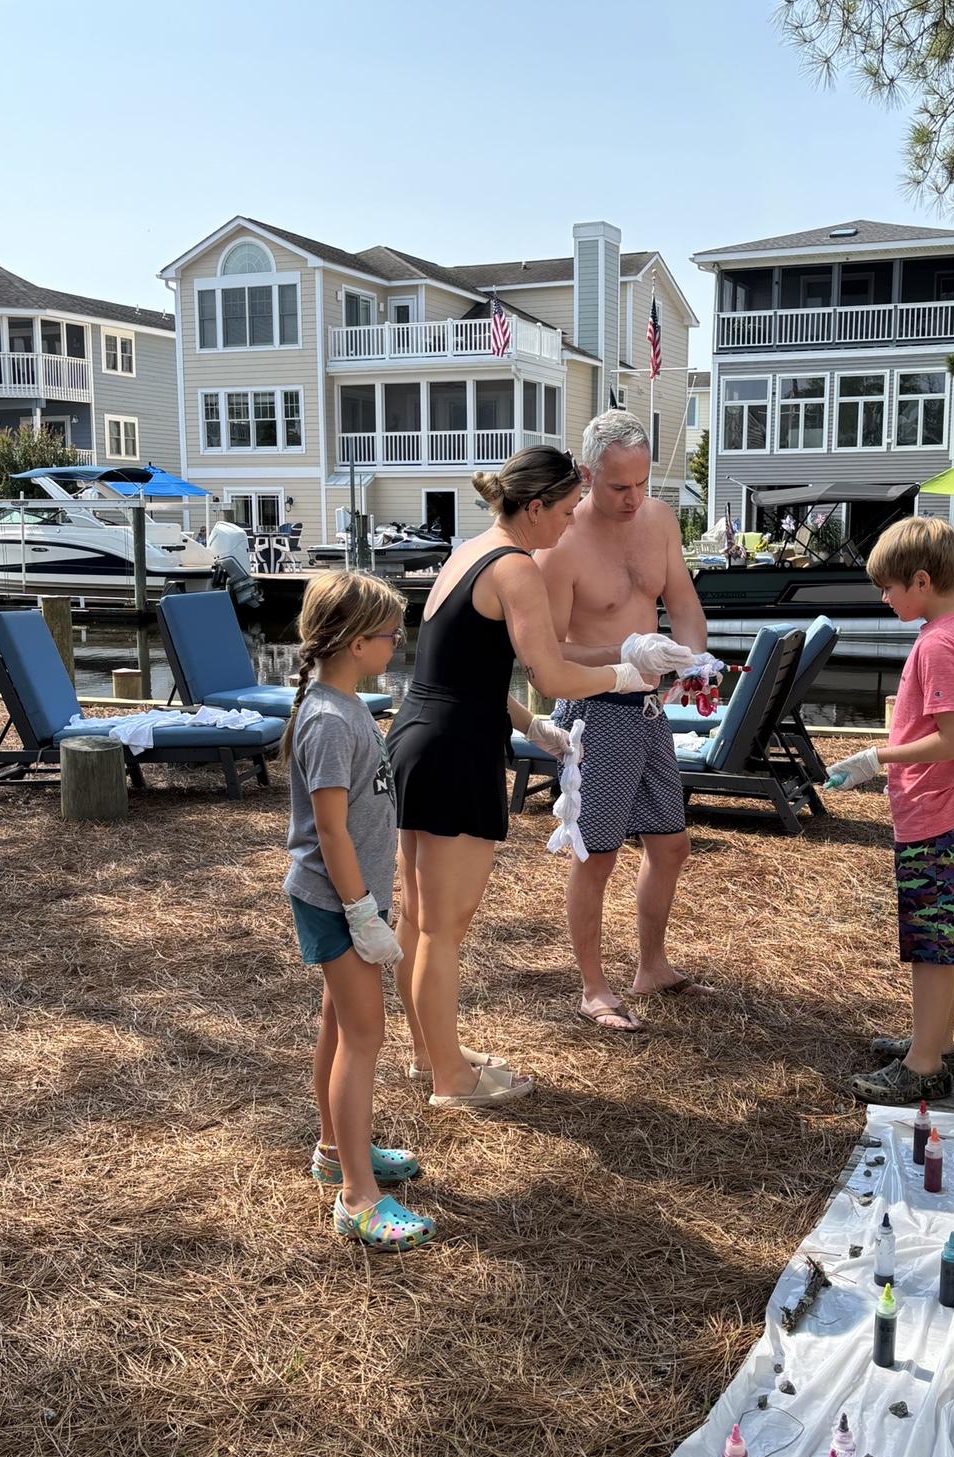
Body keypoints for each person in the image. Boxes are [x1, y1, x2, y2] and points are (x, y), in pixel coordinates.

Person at [388, 445, 646, 1107]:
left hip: (420, 735)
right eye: (564, 512)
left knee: (420, 920)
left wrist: (532, 728)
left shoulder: (466, 553)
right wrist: (624, 675)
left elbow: (460, 672)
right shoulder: (517, 568)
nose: (568, 526)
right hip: (454, 750)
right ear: (534, 508)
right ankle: (451, 1079)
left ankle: (430, 1054)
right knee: (443, 926)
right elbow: (553, 672)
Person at [535, 410, 712, 1033]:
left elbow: (683, 603)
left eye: (641, 484)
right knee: (597, 854)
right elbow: (548, 655)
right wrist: (627, 652)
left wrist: (695, 657)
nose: (634, 498)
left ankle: (651, 966)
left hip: (648, 708)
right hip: (593, 709)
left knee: (670, 844)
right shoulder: (562, 544)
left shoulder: (659, 521)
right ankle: (592, 986)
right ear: (587, 476)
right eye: (618, 487)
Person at [282, 571, 435, 1251]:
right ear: (351, 643)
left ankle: (335, 1149)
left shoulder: (347, 706)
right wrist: (361, 912)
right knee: (365, 1037)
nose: (397, 641)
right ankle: (356, 1198)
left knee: (341, 1027)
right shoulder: (325, 720)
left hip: (349, 899)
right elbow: (331, 830)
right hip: (336, 902)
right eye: (388, 632)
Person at [824, 516, 954, 1104]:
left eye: (889, 587)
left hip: (935, 816)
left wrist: (876, 757)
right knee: (944, 938)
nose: (884, 597)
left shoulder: (939, 644)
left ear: (921, 580)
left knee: (928, 944)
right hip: (948, 811)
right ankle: (939, 1043)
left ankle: (923, 1066)